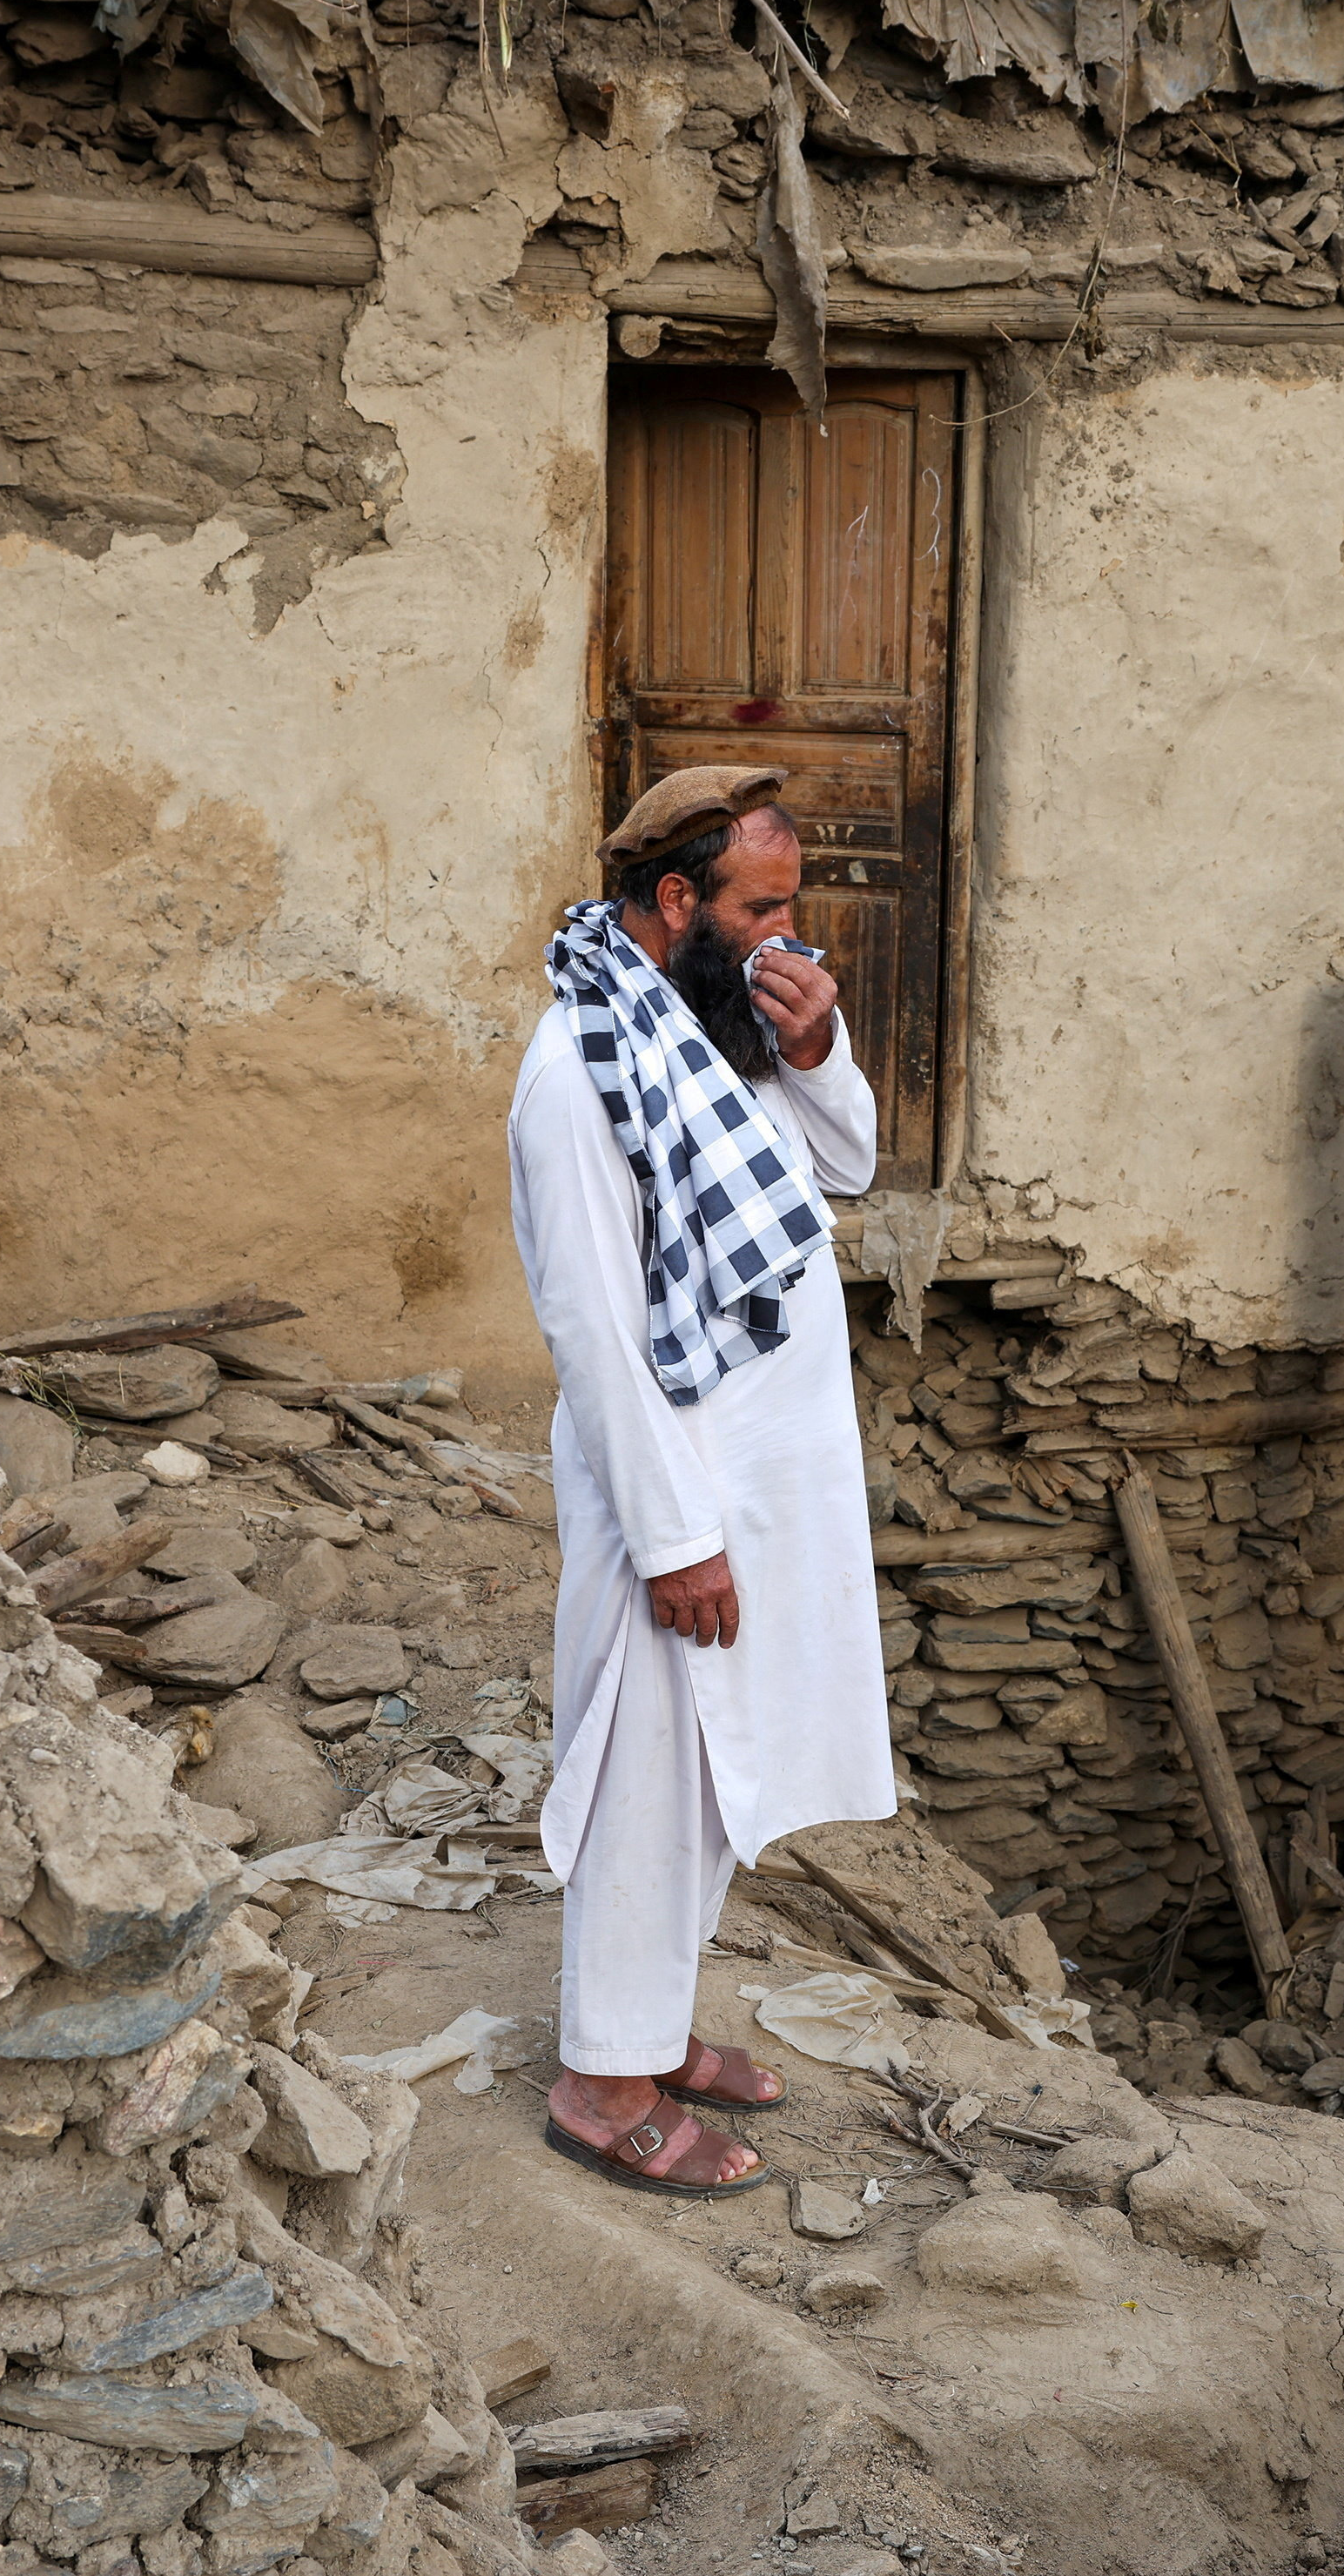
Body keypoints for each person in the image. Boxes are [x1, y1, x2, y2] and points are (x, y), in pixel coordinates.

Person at [507, 763, 895, 2196]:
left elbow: (842, 1163)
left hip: (763, 1490)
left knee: (715, 1774)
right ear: (678, 901)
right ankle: (602, 2085)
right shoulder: (579, 1074)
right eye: (764, 908)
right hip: (674, 1499)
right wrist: (676, 1537)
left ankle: (651, 2032)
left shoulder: (715, 1039)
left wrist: (822, 1044)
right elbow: (598, 1335)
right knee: (648, 1773)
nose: (793, 940)